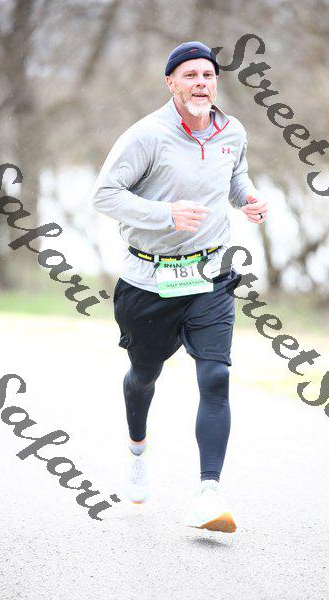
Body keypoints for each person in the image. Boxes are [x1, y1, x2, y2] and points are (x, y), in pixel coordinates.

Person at [90, 41, 268, 534]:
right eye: (190, 75)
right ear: (171, 83)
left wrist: (249, 199)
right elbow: (104, 195)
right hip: (148, 280)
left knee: (215, 376)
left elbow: (235, 178)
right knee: (144, 374)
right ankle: (137, 449)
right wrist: (165, 214)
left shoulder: (232, 131)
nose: (201, 83)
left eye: (208, 75)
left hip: (209, 275)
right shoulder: (146, 136)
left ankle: (208, 494)